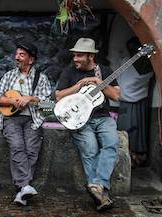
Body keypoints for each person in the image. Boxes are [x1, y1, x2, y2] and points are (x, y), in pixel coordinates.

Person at [55, 38, 120, 211]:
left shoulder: (105, 71)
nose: (75, 58)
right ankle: (102, 195)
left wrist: (100, 83)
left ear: (90, 56)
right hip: (80, 120)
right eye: (74, 55)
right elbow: (59, 96)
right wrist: (78, 85)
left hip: (103, 117)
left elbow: (116, 96)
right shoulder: (69, 73)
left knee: (111, 144)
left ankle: (98, 186)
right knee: (90, 150)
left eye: (79, 55)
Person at [0, 40, 51, 206]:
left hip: (33, 119)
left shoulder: (41, 78)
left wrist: (31, 99)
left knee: (32, 150)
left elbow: (49, 107)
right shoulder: (9, 75)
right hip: (11, 118)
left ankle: (21, 191)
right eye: (17, 54)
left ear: (30, 60)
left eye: (21, 55)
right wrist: (14, 100)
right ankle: (25, 186)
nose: (16, 57)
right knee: (17, 146)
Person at [117, 37, 154, 168]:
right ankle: (133, 155)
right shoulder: (147, 64)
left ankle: (131, 156)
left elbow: (123, 81)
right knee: (133, 131)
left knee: (128, 130)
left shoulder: (126, 61)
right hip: (138, 101)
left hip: (124, 101)